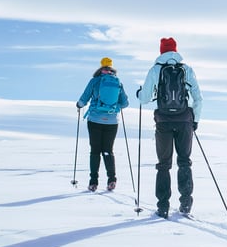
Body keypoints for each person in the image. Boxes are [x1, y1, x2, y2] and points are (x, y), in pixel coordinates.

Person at [136, 37, 203, 218]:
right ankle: (186, 203)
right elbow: (198, 98)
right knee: (184, 161)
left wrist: (140, 93)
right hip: (184, 121)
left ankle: (163, 206)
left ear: (161, 51)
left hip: (163, 121)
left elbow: (144, 98)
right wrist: (195, 120)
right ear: (175, 50)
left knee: (164, 164)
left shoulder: (155, 70)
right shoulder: (186, 69)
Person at [76, 57, 129, 192]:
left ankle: (93, 182)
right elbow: (125, 103)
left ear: (101, 67)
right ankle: (112, 179)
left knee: (95, 151)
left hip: (95, 120)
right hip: (112, 122)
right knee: (108, 150)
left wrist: (79, 105)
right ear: (111, 67)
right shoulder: (118, 82)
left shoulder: (95, 81)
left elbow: (84, 98)